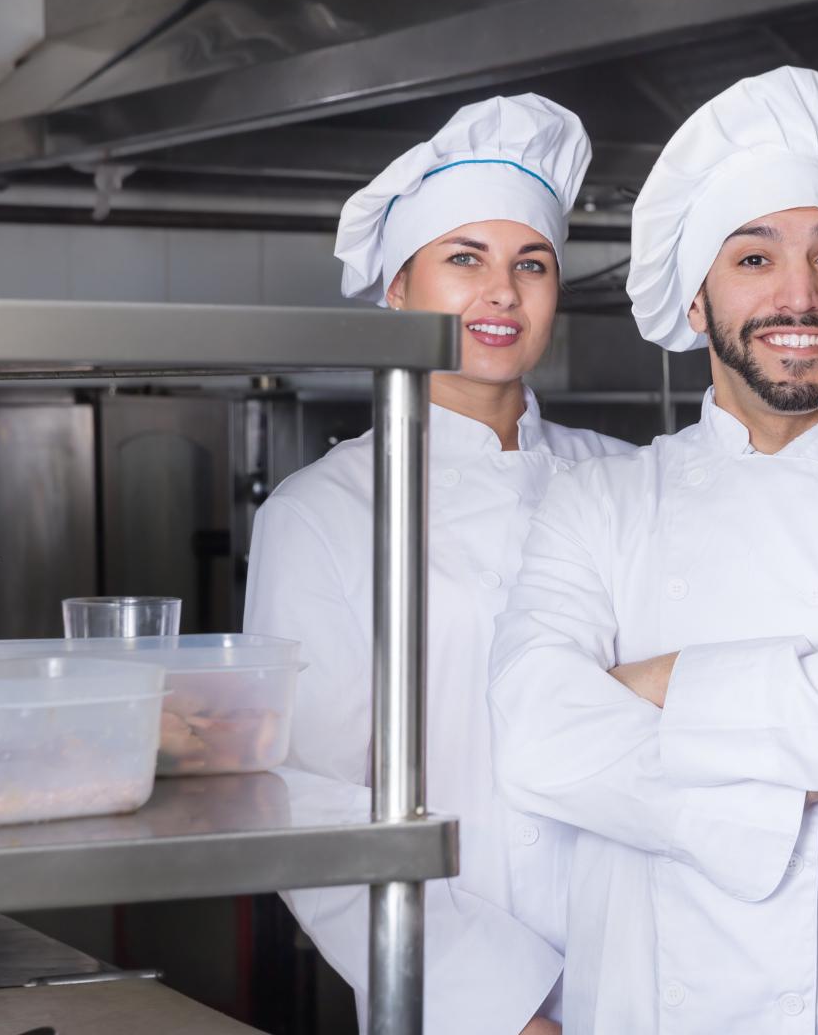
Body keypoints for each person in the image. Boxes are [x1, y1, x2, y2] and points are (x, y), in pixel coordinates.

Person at [486, 66, 818, 1034]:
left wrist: (655, 684)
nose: (799, 295)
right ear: (695, 303)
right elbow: (535, 737)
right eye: (753, 259)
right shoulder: (597, 505)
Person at [245, 94, 631, 1035]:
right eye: (465, 259)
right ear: (397, 290)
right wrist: (503, 1008)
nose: (502, 292)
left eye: (530, 264)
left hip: (656, 975)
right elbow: (306, 800)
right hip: (458, 1006)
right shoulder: (321, 514)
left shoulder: (630, 482)